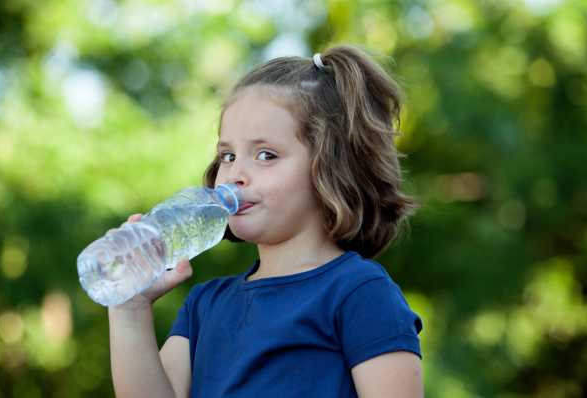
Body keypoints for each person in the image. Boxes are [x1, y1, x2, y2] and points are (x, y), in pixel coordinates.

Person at [109, 45, 424, 398]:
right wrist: (129, 309)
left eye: (265, 155)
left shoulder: (358, 294)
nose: (235, 174)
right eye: (227, 155)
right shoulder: (204, 306)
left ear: (330, 169)